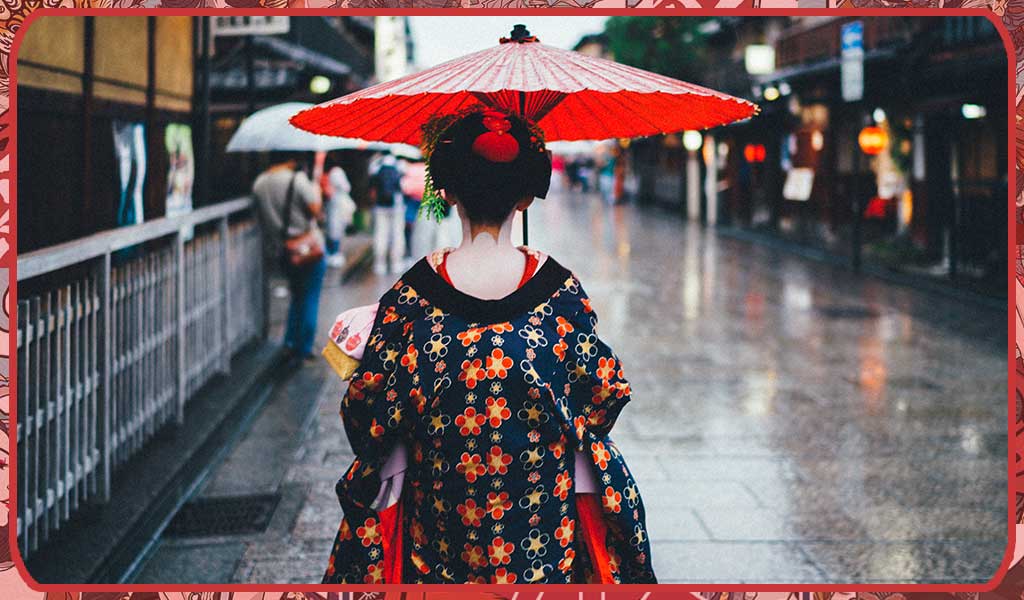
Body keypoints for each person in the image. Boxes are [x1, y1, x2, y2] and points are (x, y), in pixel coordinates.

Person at [322, 109, 656, 584]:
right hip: (541, 535)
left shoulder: (411, 297)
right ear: (526, 196)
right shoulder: (559, 293)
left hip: (438, 534)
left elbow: (365, 414)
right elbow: (605, 393)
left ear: (447, 189)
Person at [252, 152, 326, 362]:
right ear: (291, 159)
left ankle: (290, 342)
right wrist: (316, 189)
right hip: (306, 248)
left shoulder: (260, 184)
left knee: (296, 295)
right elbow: (316, 211)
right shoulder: (298, 180)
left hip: (281, 250)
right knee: (310, 296)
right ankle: (304, 347)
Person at [369, 153, 406, 275]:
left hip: (380, 206)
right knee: (397, 234)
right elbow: (403, 186)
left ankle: (380, 264)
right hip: (397, 205)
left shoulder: (375, 165)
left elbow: (372, 188)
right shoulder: (400, 165)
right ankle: (396, 263)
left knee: (380, 234)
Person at [323, 159, 357, 268]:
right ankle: (335, 253)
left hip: (331, 203)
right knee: (336, 229)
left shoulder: (325, 173)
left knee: (331, 228)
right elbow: (346, 187)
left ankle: (331, 253)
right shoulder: (337, 171)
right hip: (337, 204)